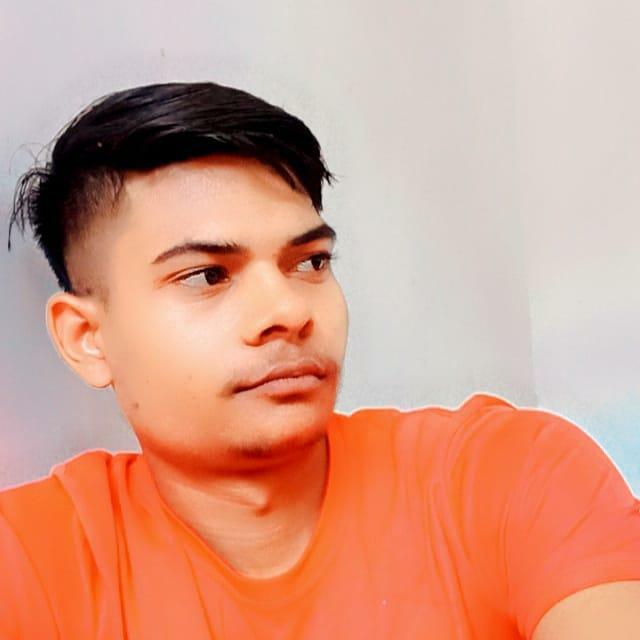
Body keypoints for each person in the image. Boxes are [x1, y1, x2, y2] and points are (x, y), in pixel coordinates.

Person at [2, 81, 639, 639]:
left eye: (310, 262)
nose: (288, 310)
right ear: (87, 338)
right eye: (207, 275)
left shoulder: (506, 475)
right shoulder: (31, 562)